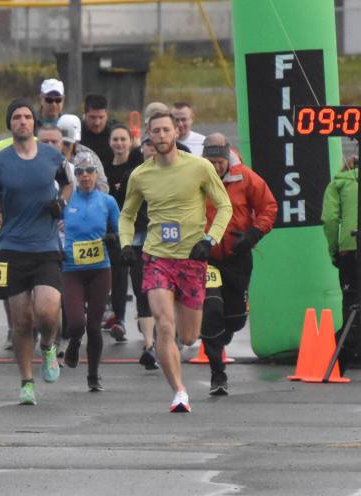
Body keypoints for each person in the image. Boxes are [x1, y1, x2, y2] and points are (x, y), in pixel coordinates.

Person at [118, 111, 232, 413]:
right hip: (157, 258)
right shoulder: (140, 175)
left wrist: (210, 240)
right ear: (149, 136)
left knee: (189, 335)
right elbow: (127, 215)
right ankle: (179, 392)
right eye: (156, 131)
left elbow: (224, 206)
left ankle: (177, 355)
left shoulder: (200, 167)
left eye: (166, 130)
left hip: (192, 260)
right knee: (164, 326)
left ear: (175, 133)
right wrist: (126, 244)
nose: (162, 136)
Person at [0, 99, 71, 406]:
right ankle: (27, 381)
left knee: (46, 309)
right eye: (17, 117)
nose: (23, 122)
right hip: (12, 248)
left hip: (46, 247)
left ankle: (50, 346)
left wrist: (62, 204)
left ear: (35, 124)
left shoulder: (51, 156)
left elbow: (67, 185)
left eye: (28, 117)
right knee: (21, 322)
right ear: (10, 124)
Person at [200, 133, 276, 395]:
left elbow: (269, 207)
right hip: (207, 258)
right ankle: (217, 374)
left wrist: (254, 233)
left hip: (237, 256)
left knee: (234, 319)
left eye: (219, 161)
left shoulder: (245, 177)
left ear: (227, 157)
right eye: (210, 161)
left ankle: (222, 336)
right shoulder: (197, 178)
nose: (215, 167)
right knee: (211, 312)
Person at [61, 162, 120, 392]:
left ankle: (93, 375)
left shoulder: (107, 201)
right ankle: (74, 343)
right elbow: (54, 229)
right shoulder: (67, 200)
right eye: (79, 172)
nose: (84, 176)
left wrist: (114, 239)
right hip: (71, 269)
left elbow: (119, 230)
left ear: (97, 175)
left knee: (94, 326)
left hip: (99, 269)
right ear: (74, 177)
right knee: (77, 323)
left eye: (89, 172)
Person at [102, 124, 151, 348]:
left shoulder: (138, 167)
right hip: (115, 230)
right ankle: (118, 319)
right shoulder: (104, 169)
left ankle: (145, 319)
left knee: (140, 278)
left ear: (131, 142)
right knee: (118, 276)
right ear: (110, 142)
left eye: (124, 139)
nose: (119, 144)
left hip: (141, 229)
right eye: (116, 139)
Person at [323, 155, 359, 362]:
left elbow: (329, 219)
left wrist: (334, 249)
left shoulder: (338, 184)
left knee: (352, 300)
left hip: (350, 249)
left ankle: (345, 353)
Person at [80, 94, 115, 165]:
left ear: (107, 115)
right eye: (92, 117)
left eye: (101, 117)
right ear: (84, 115)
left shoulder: (115, 132)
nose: (97, 123)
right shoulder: (77, 132)